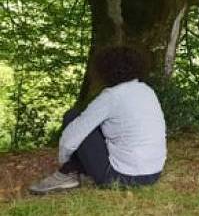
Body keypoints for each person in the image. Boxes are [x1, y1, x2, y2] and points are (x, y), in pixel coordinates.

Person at [29, 46, 167, 194]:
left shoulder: (111, 96)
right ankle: (72, 171)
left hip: (120, 177)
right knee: (96, 123)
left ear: (105, 70)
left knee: (73, 117)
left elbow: (72, 136)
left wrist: (65, 161)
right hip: (153, 174)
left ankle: (67, 173)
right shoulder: (146, 90)